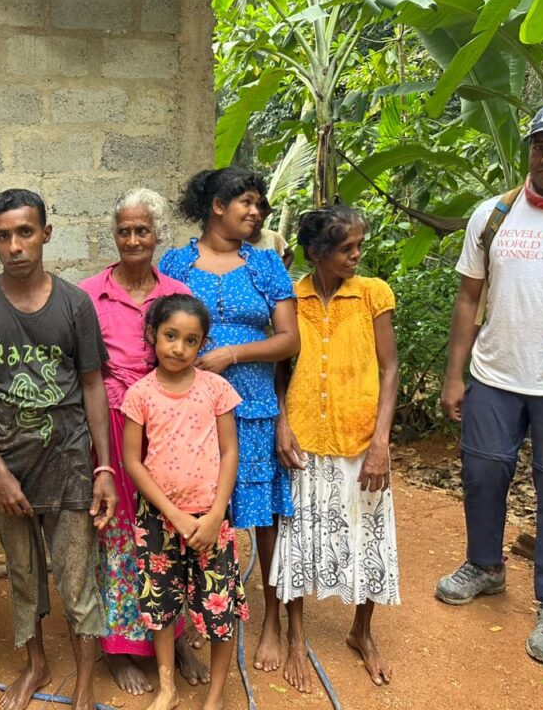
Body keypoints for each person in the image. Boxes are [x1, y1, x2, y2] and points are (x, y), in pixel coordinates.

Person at [0, 189, 117, 710]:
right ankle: (36, 664)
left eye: (25, 232)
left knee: (77, 579)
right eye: (3, 236)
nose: (15, 246)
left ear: (46, 233)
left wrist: (104, 466)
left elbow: (92, 385)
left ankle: (85, 683)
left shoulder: (74, 305)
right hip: (12, 470)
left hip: (69, 466)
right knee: (23, 576)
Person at [437, 100, 543, 667]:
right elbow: (469, 298)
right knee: (482, 475)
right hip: (495, 375)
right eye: (541, 146)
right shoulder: (493, 215)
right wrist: (455, 373)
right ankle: (485, 565)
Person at [159, 167, 299, 674]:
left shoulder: (264, 263)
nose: (256, 212)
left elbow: (289, 339)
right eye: (247, 202)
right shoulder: (175, 263)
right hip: (191, 415)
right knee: (197, 512)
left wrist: (232, 354)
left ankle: (272, 622)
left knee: (262, 521)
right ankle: (197, 614)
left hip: (253, 409)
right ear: (217, 205)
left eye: (260, 205)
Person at [78, 188, 208, 696]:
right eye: (124, 231)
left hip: (169, 426)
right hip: (113, 424)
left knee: (171, 531)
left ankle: (174, 639)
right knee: (118, 535)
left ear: (157, 235)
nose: (133, 240)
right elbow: (85, 371)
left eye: (142, 231)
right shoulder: (91, 293)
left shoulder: (175, 291)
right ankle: (120, 649)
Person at [271, 206, 400, 692]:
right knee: (298, 537)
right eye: (347, 248)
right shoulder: (291, 298)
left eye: (358, 246)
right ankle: (296, 637)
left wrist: (381, 442)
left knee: (368, 534)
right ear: (316, 253)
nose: (356, 255)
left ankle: (361, 632)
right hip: (304, 437)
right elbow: (279, 369)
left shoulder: (372, 294)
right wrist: (283, 424)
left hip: (361, 437)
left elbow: (390, 368)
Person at [123, 293, 250, 710]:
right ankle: (167, 688)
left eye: (191, 340)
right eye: (170, 336)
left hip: (211, 518)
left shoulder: (217, 389)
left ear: (203, 344)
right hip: (159, 519)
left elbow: (230, 452)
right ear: (152, 335)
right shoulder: (140, 394)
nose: (178, 348)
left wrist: (215, 515)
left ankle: (215, 696)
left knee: (219, 607)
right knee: (160, 604)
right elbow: (132, 461)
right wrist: (173, 513)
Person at [247, 194, 293, 269]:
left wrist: (280, 273)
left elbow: (289, 254)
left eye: (262, 216)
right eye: (253, 217)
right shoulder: (233, 241)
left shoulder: (273, 237)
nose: (258, 220)